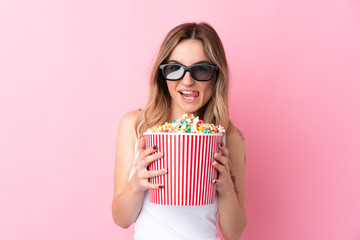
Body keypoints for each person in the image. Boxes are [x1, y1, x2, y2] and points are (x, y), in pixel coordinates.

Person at [112, 22, 247, 240]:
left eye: (201, 69)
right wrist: (137, 183)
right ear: (162, 75)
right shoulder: (135, 125)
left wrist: (227, 190)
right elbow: (121, 219)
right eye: (175, 68)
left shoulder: (229, 137)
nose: (187, 81)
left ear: (216, 76)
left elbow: (234, 233)